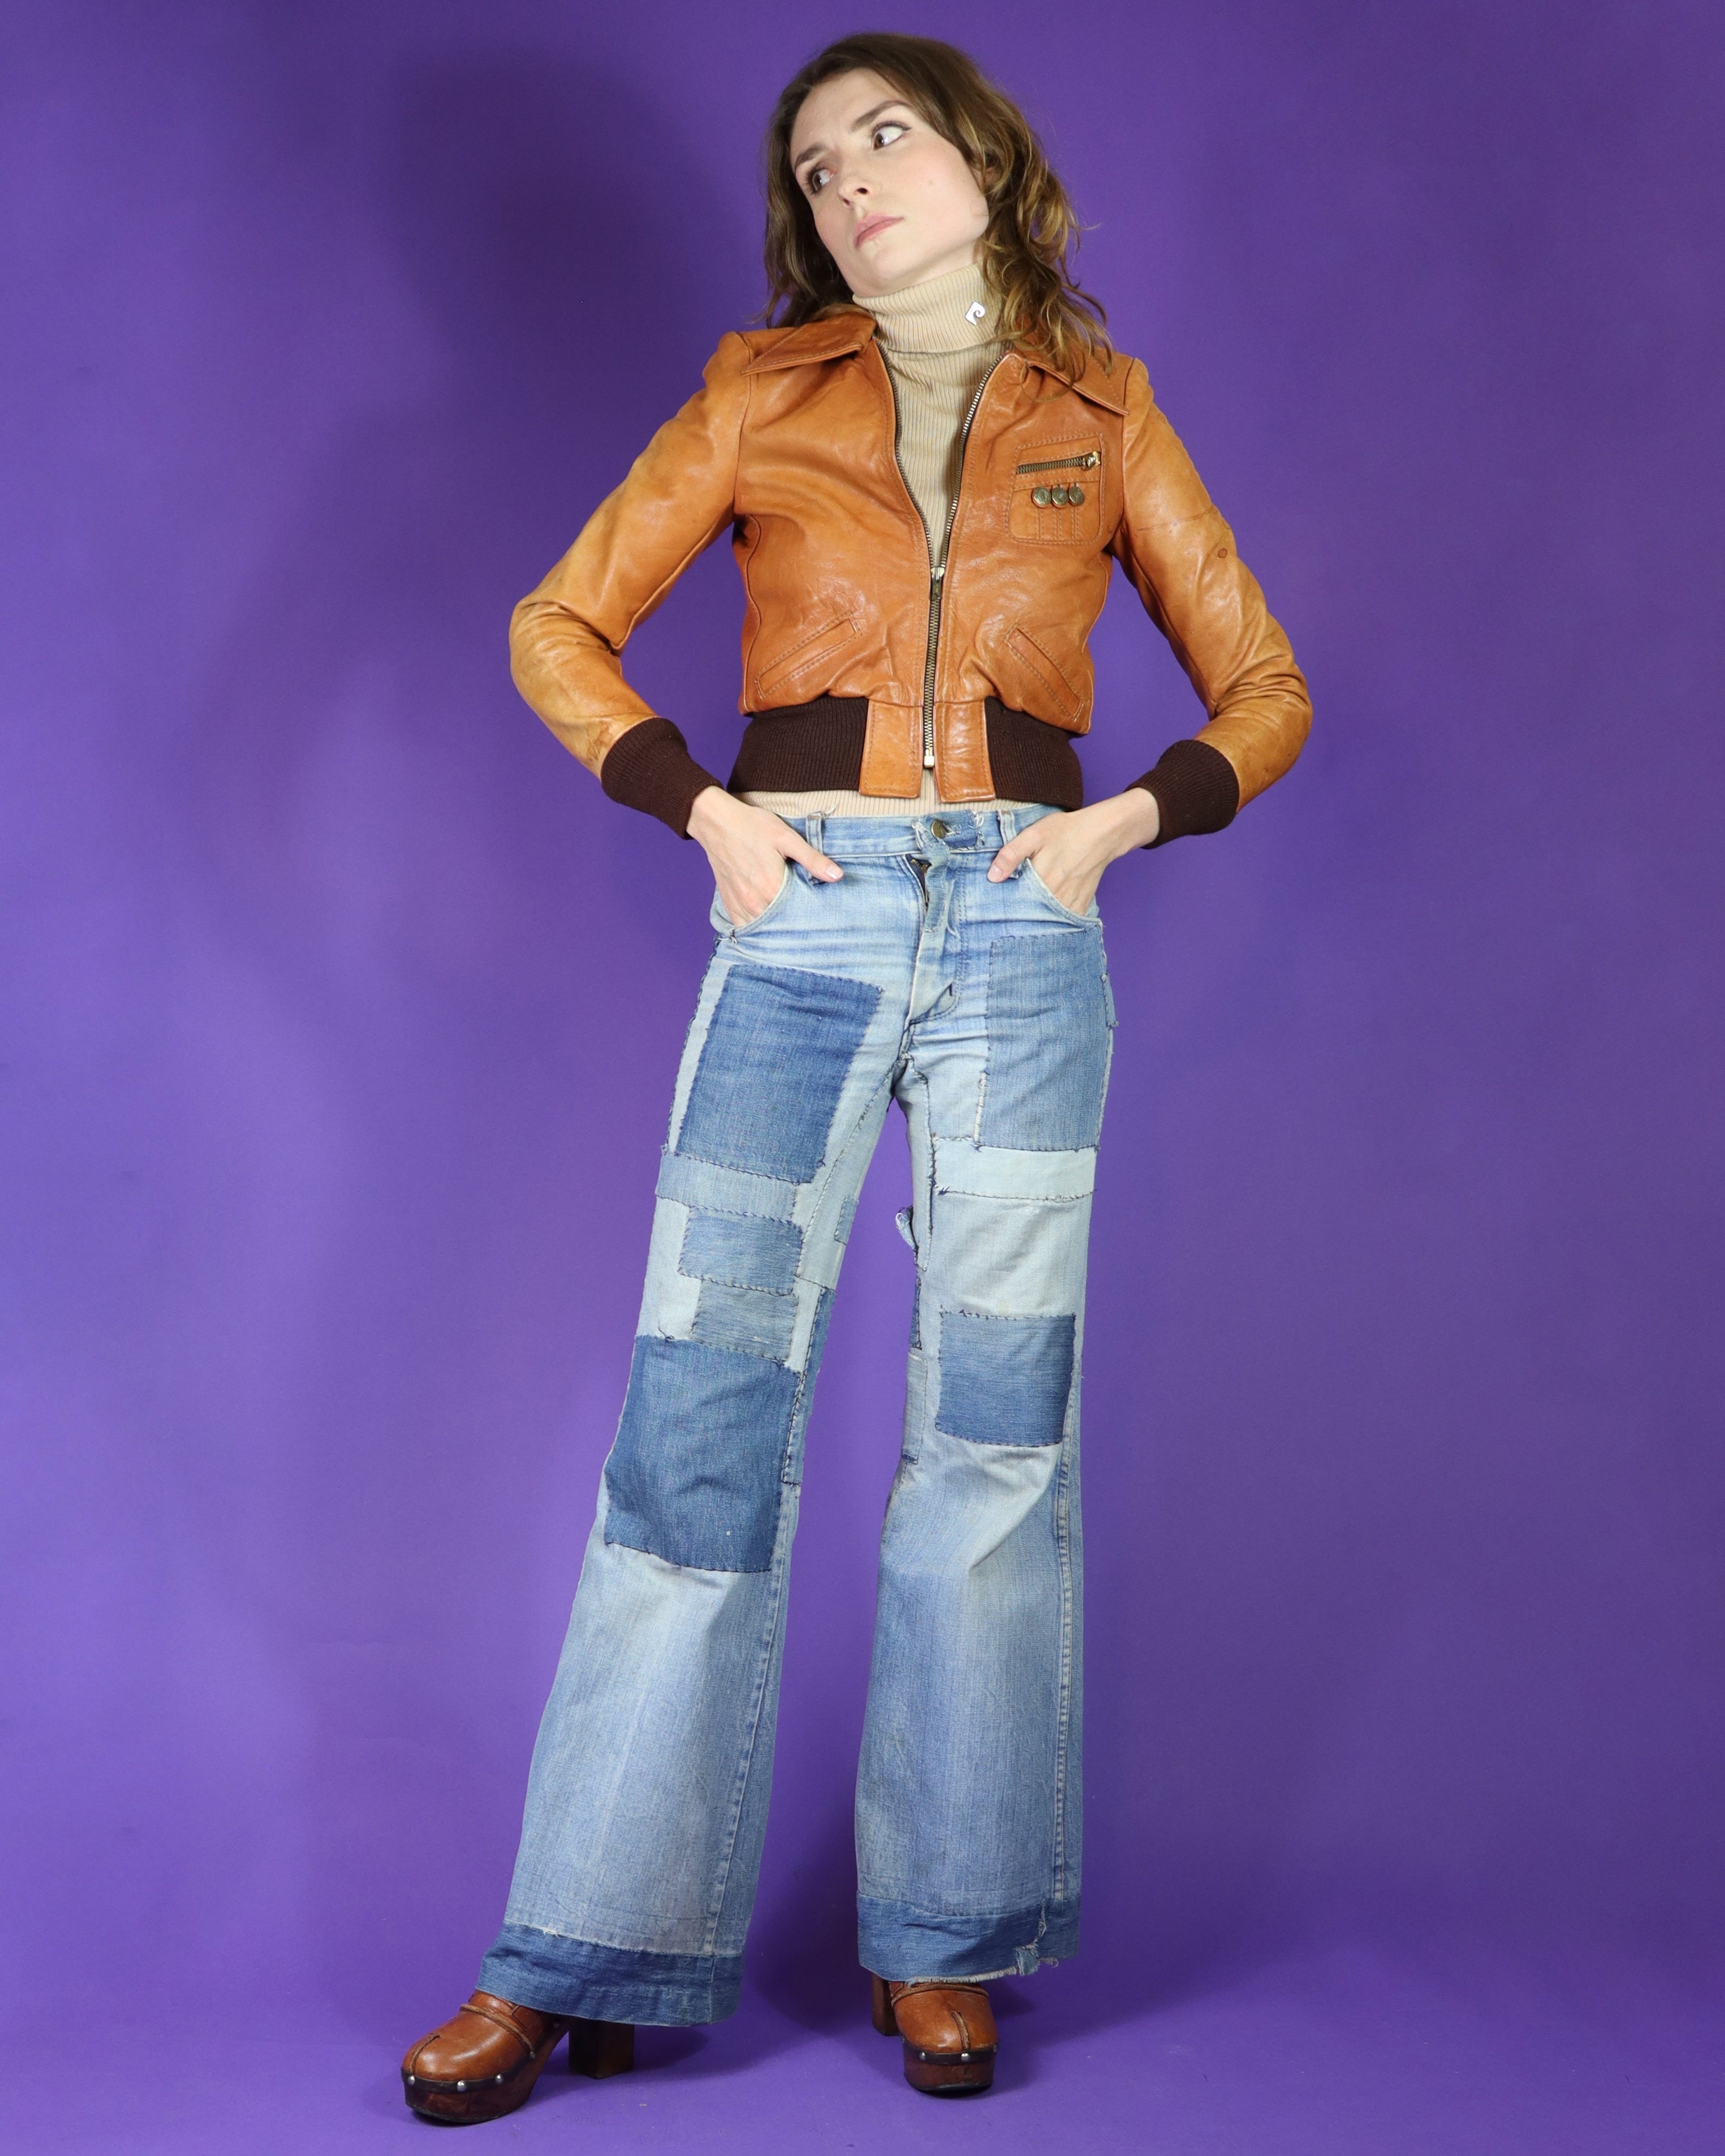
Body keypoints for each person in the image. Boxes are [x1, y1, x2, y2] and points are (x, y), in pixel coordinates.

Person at [401, 30, 1309, 2123]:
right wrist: (701, 812)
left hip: (1020, 933)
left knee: (994, 1437)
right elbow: (557, 626)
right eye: (816, 166)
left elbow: (1260, 686)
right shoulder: (757, 394)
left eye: (885, 136)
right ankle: (582, 1951)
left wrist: (1117, 825)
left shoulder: (1105, 413)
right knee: (694, 1426)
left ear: (982, 160)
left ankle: (944, 1942)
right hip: (798, 921)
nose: (850, 178)